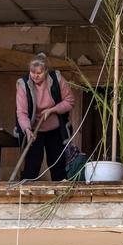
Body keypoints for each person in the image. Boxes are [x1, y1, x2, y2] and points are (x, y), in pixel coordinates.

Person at [15, 53, 76, 181]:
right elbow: (22, 112)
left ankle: (60, 194)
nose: (35, 76)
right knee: (32, 164)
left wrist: (53, 110)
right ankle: (26, 194)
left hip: (55, 129)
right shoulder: (23, 85)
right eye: (32, 72)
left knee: (57, 164)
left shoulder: (57, 79)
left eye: (39, 73)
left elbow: (70, 101)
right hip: (33, 130)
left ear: (46, 71)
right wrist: (27, 129)